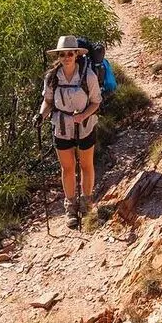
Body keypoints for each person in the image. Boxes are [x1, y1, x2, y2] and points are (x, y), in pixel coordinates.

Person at [40, 35, 102, 229]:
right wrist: (40, 115)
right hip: (62, 126)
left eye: (70, 53)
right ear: (58, 56)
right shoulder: (51, 78)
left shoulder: (88, 76)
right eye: (63, 54)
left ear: (76, 54)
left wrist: (83, 115)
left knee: (86, 165)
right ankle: (70, 207)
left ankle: (86, 202)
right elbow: (48, 102)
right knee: (67, 168)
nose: (66, 57)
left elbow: (96, 102)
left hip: (85, 126)